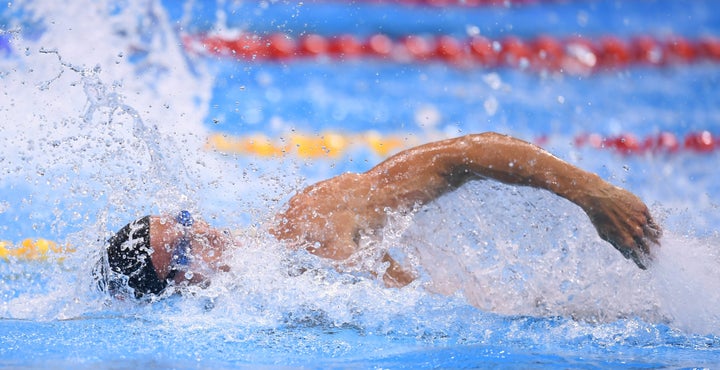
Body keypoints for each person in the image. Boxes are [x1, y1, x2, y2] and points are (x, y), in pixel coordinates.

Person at [95, 132, 661, 299]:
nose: (210, 235)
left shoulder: (309, 222)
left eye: (190, 222)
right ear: (176, 292)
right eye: (188, 250)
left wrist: (592, 193)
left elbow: (460, 157)